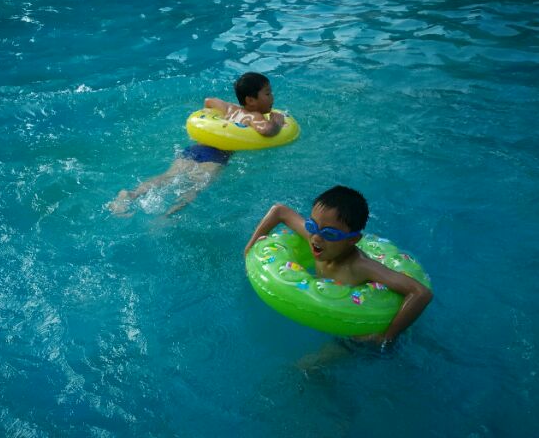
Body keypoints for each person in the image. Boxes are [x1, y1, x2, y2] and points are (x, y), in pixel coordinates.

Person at [242, 185, 433, 345]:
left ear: (353, 240)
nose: (316, 238)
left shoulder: (360, 266)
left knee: (307, 367)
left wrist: (387, 337)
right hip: (327, 309)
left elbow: (421, 293)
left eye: (330, 234)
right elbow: (279, 211)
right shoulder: (314, 237)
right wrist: (249, 248)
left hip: (358, 327)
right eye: (312, 226)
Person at [109, 73, 285, 216]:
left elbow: (209, 101)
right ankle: (168, 216)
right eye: (268, 93)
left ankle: (131, 194)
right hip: (216, 156)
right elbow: (265, 130)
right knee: (194, 188)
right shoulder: (254, 116)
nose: (272, 97)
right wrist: (276, 122)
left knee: (167, 177)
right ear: (251, 100)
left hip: (195, 148)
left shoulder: (230, 108)